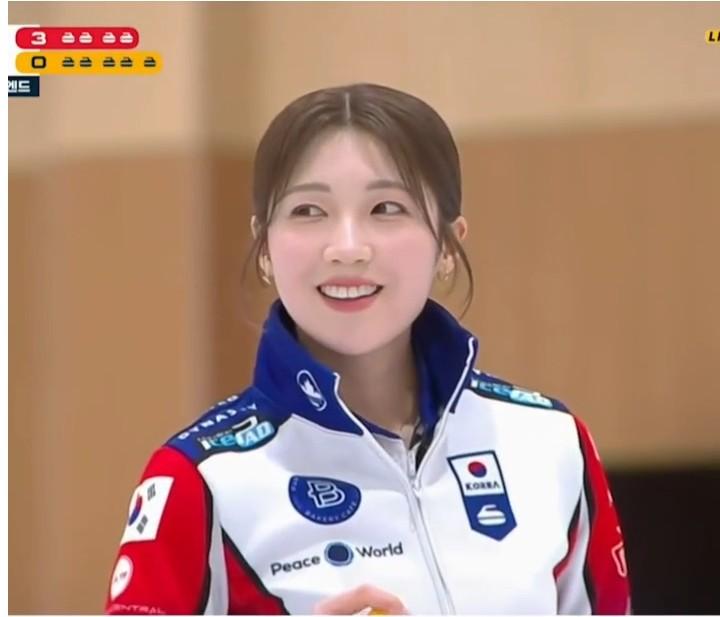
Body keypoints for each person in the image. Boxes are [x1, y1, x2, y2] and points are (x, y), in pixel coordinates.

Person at [105, 83, 631, 615]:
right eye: (309, 210)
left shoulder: (551, 442)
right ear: (264, 247)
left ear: (448, 245)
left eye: (386, 207)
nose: (348, 248)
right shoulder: (199, 479)